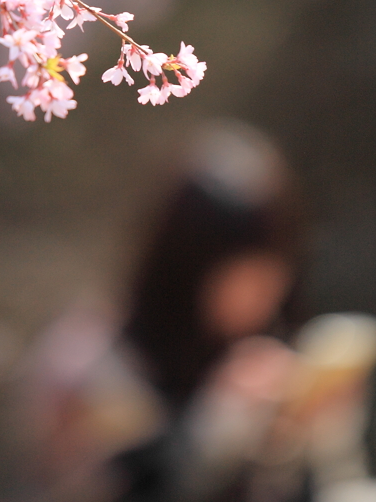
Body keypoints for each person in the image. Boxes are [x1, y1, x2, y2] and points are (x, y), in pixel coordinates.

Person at [18, 120, 308, 502]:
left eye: (274, 268)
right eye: (246, 274)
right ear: (190, 268)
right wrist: (218, 424)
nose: (269, 290)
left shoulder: (239, 354)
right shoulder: (93, 367)